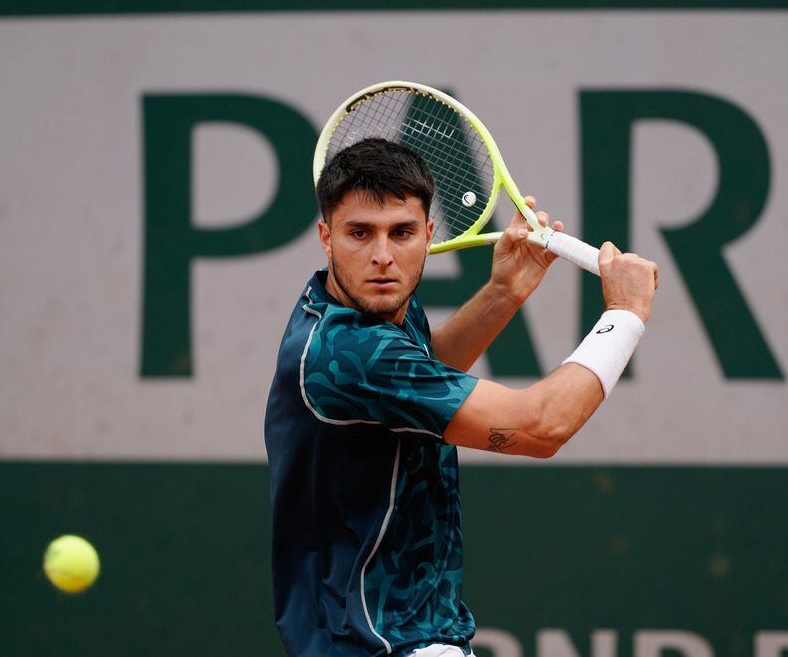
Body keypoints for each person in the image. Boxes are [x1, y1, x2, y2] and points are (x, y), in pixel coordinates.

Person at [264, 138, 657, 656]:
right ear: (326, 237)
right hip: (383, 644)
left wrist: (504, 292)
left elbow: (420, 384)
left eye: (401, 233)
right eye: (359, 233)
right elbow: (541, 428)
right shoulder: (351, 351)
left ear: (428, 236)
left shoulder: (360, 311)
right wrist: (625, 314)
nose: (382, 256)